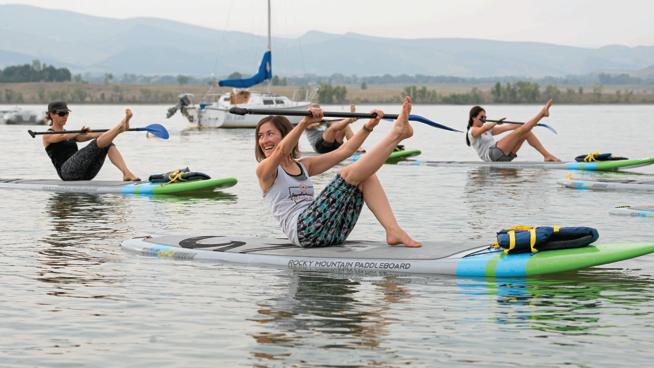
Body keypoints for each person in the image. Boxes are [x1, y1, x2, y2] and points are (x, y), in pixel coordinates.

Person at [255, 96, 421, 248]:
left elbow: (346, 150)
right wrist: (304, 123)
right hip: (303, 231)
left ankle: (393, 230)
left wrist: (367, 127)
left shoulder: (304, 165)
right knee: (348, 173)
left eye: (270, 134)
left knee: (366, 176)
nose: (264, 141)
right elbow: (281, 152)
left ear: (285, 135)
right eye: (260, 136)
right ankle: (396, 134)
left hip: (333, 231)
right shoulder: (264, 170)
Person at [42, 101, 140, 181]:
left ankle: (126, 173)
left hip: (87, 173)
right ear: (52, 114)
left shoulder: (71, 134)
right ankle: (120, 125)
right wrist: (78, 132)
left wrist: (114, 132)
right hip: (67, 173)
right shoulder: (47, 135)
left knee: (107, 143)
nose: (65, 116)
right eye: (62, 113)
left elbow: (92, 135)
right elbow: (62, 137)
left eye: (67, 113)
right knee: (97, 143)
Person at [466, 99, 560, 162]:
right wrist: (495, 122)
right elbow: (484, 128)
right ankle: (542, 113)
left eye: (485, 117)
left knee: (526, 132)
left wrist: (526, 124)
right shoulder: (472, 131)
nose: (484, 118)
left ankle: (547, 156)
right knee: (521, 131)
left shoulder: (489, 130)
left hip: (504, 156)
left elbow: (508, 127)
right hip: (492, 155)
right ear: (473, 118)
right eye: (481, 117)